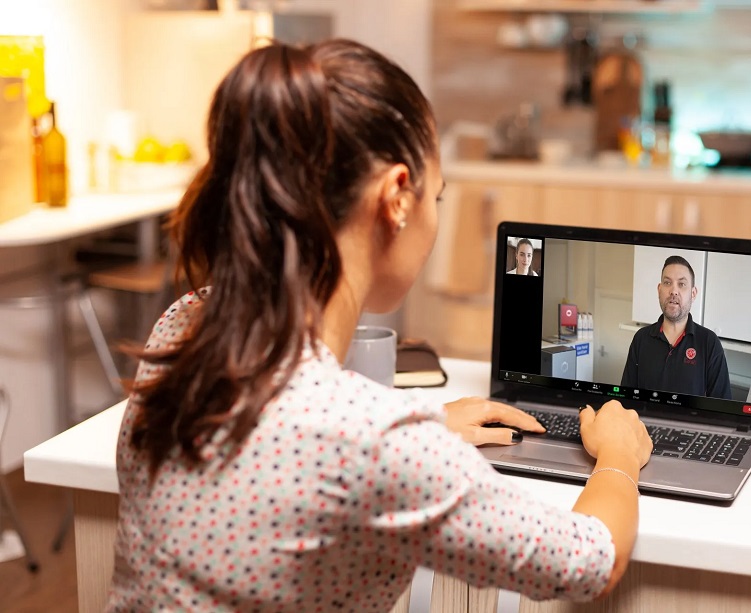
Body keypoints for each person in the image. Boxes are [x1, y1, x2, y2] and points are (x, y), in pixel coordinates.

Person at [106, 40, 651, 612]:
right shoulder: (374, 444)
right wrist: (617, 458)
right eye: (435, 195)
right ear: (396, 198)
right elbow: (591, 561)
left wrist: (427, 425)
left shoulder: (180, 325)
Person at [621, 255, 732, 399]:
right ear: (659, 290)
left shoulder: (709, 343)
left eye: (682, 284)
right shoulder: (641, 339)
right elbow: (625, 399)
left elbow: (722, 407)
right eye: (667, 283)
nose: (673, 291)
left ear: (693, 294)